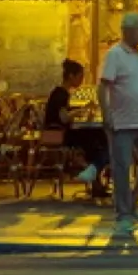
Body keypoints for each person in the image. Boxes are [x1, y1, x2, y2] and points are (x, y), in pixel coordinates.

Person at [98, 10, 138, 232]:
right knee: (122, 168)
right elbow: (103, 86)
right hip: (122, 123)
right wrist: (106, 114)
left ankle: (132, 204)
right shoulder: (115, 55)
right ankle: (123, 213)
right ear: (128, 31)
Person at [44, 57, 108, 199]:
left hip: (58, 132)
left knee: (95, 138)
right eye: (80, 76)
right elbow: (63, 117)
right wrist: (82, 110)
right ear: (71, 76)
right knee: (98, 138)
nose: (82, 80)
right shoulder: (61, 94)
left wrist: (82, 110)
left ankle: (94, 177)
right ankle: (94, 175)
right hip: (56, 134)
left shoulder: (61, 92)